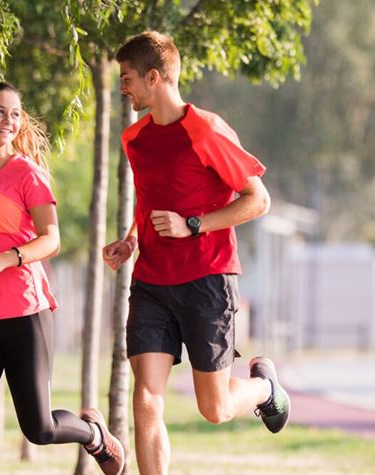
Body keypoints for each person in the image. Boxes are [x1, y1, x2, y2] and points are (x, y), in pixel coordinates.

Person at [102, 32, 291, 475]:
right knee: (146, 399)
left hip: (207, 278)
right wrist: (131, 239)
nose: (122, 88)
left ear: (154, 77)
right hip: (150, 282)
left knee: (216, 406)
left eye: (127, 79)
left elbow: (257, 199)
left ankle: (264, 389)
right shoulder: (134, 139)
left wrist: (194, 225)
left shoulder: (205, 129)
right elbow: (149, 200)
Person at [0, 82, 124, 475]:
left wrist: (9, 258)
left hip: (24, 311)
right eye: (0, 111)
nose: (9, 120)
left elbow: (51, 240)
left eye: (15, 113)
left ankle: (94, 436)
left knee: (39, 427)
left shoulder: (27, 174)